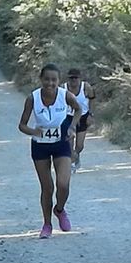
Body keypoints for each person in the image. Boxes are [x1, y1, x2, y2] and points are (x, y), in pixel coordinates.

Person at [18, 63, 81, 238]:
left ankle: (59, 209)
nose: (50, 84)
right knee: (47, 187)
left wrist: (72, 128)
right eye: (46, 79)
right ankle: (47, 225)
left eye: (54, 80)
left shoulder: (65, 95)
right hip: (40, 145)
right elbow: (21, 125)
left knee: (63, 184)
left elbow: (78, 110)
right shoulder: (32, 98)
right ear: (41, 79)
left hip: (60, 142)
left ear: (59, 81)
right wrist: (33, 131)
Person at [63, 68, 96, 172]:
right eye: (71, 78)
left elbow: (92, 99)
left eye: (75, 78)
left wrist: (91, 114)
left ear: (80, 78)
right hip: (68, 117)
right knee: (69, 143)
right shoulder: (63, 88)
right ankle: (71, 162)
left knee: (80, 145)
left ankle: (76, 156)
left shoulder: (86, 87)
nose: (73, 80)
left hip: (83, 116)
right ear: (68, 79)